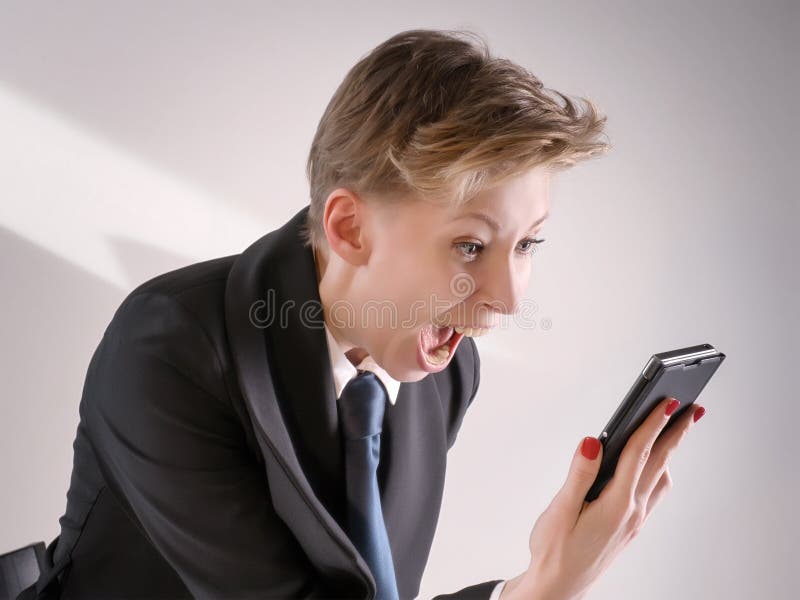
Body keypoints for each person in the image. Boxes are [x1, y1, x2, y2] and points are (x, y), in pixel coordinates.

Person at [21, 28, 706, 600]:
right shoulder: (170, 344)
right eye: (470, 245)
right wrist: (545, 587)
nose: (508, 300)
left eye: (526, 244)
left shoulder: (445, 368)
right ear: (349, 228)